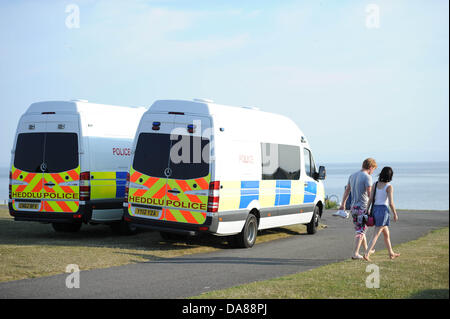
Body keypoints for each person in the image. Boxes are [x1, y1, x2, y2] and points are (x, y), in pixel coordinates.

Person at [339, 158, 378, 260]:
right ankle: (355, 253)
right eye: (373, 169)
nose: (373, 171)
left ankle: (367, 249)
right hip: (362, 207)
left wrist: (343, 204)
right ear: (370, 167)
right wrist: (373, 207)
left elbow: (347, 191)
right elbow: (370, 194)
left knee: (361, 228)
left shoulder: (352, 175)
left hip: (353, 208)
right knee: (361, 231)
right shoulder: (367, 177)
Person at [363, 167, 400, 261]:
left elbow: (370, 199)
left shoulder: (375, 184)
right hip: (383, 211)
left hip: (375, 209)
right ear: (390, 176)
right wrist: (395, 213)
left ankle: (391, 253)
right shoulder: (389, 187)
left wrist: (367, 209)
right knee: (376, 233)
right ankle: (367, 253)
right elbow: (391, 203)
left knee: (386, 234)